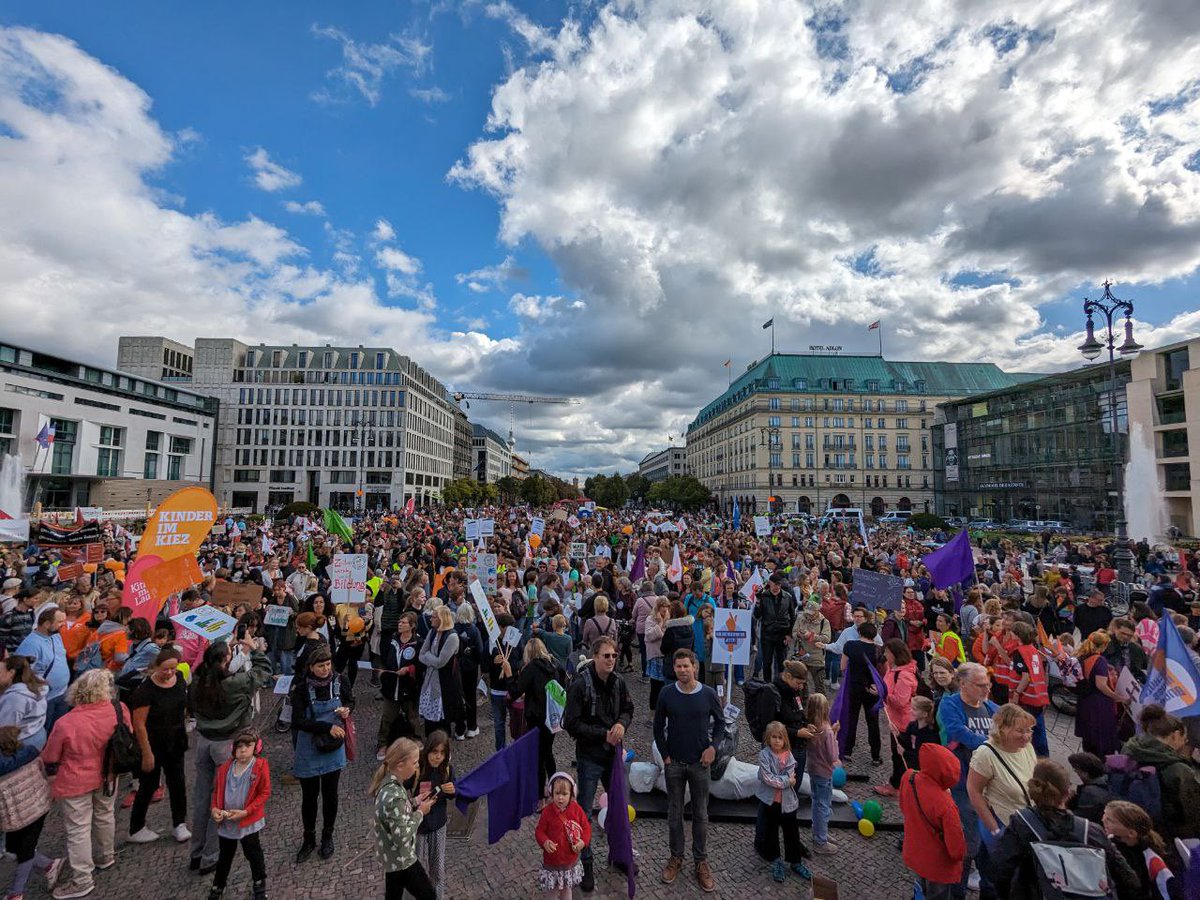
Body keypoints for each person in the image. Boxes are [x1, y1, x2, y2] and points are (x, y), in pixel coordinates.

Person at [989, 760, 1140, 900]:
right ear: (1067, 793)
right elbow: (1128, 878)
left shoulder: (1022, 824)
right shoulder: (1091, 831)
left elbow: (1000, 869)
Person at [41, 668, 128, 900]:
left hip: (75, 780)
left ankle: (82, 879)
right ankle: (105, 855)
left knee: (78, 829)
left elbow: (50, 756)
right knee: (105, 814)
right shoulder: (118, 710)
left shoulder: (66, 723)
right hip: (108, 774)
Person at [189, 636, 272, 875]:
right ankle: (210, 856)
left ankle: (196, 852)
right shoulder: (233, 683)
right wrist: (254, 649)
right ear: (227, 660)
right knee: (222, 801)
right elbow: (263, 671)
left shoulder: (198, 681)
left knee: (203, 798)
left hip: (204, 740)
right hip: (227, 744)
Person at [562, 634, 633, 893]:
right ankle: (587, 862)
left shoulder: (619, 681)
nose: (612, 660)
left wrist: (621, 724)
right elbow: (570, 723)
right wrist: (601, 734)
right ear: (595, 657)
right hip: (590, 757)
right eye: (607, 656)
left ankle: (620, 854)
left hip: (613, 756)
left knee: (619, 807)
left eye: (614, 655)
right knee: (584, 813)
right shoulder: (581, 684)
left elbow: (629, 708)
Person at [653, 648, 726, 893]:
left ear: (694, 666)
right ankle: (676, 857)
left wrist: (713, 748)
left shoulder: (707, 694)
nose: (682, 671)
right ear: (674, 668)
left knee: (701, 815)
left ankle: (701, 861)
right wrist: (665, 756)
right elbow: (657, 727)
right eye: (678, 667)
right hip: (674, 763)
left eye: (686, 666)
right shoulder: (666, 693)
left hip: (699, 763)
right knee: (674, 814)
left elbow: (721, 725)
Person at [936, 661, 997, 900]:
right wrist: (991, 744)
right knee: (966, 843)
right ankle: (955, 890)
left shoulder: (992, 708)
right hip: (961, 783)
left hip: (989, 786)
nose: (986, 689)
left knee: (988, 845)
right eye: (980, 685)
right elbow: (958, 731)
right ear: (963, 684)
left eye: (988, 684)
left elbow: (1007, 725)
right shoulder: (949, 704)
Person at [290, 643, 354, 863]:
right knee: (309, 797)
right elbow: (297, 720)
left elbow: (350, 700)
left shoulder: (340, 681)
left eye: (328, 665)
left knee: (330, 794)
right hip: (309, 745)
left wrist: (347, 710)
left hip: (334, 746)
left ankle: (328, 835)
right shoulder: (300, 689)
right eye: (321, 666)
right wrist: (326, 727)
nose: (325, 669)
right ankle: (308, 839)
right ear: (311, 667)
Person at [967, 704, 1037, 892]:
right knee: (996, 882)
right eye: (1020, 731)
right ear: (1003, 729)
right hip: (1002, 827)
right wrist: (995, 830)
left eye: (1029, 730)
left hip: (1024, 825)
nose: (1026, 736)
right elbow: (973, 791)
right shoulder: (986, 754)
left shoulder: (1026, 747)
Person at [128, 647, 191, 844]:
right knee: (148, 785)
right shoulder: (145, 691)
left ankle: (179, 823)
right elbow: (139, 724)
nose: (170, 672)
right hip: (153, 742)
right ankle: (136, 827)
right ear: (156, 667)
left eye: (173, 668)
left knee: (178, 783)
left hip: (175, 739)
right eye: (166, 669)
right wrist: (146, 752)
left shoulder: (179, 678)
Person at [1121, 704, 1200, 845]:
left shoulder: (1131, 747)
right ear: (1175, 735)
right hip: (1163, 834)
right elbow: (1191, 811)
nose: (1185, 742)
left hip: (1126, 819)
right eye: (1184, 738)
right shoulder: (1178, 769)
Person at [206, 729, 270, 900]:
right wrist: (214, 809)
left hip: (247, 821)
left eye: (247, 746)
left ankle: (259, 883)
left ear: (255, 747)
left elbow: (264, 792)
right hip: (227, 821)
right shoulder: (225, 768)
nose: (243, 750)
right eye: (239, 746)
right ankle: (218, 885)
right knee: (225, 856)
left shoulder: (259, 766)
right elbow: (217, 792)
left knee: (253, 852)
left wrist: (247, 812)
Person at [0, 723, 61, 900]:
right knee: (15, 850)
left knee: (21, 850)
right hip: (38, 808)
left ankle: (16, 893)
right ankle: (50, 865)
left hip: (15, 815)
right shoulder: (31, 753)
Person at [372, 737, 437, 900]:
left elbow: (395, 813)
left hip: (391, 858)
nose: (417, 767)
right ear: (400, 765)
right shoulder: (395, 796)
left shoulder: (388, 784)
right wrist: (420, 812)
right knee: (429, 896)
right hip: (402, 859)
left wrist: (415, 801)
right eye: (414, 763)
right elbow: (402, 836)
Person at [900, 743, 967, 900]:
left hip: (915, 852)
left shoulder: (909, 777)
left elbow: (904, 807)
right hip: (938, 865)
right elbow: (956, 848)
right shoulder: (946, 805)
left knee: (920, 888)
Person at [504, 637, 566, 799]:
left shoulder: (531, 668)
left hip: (536, 718)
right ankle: (554, 787)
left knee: (539, 757)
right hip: (553, 717)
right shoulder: (555, 664)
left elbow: (515, 691)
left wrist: (509, 675)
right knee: (548, 753)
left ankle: (540, 796)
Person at [753, 721, 811, 882]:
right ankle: (776, 860)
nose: (777, 740)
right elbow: (767, 778)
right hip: (771, 801)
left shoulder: (789, 755)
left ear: (785, 739)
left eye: (780, 737)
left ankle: (795, 860)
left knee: (791, 831)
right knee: (771, 831)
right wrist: (785, 781)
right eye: (774, 737)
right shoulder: (764, 755)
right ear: (768, 738)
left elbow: (790, 774)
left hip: (788, 802)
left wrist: (783, 779)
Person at [1102, 800, 1184, 900]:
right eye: (1104, 816)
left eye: (1110, 820)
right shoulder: (1111, 843)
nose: (1103, 820)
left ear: (1131, 833)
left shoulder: (1145, 860)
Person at [535, 771, 591, 899]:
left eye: (564, 794)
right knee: (552, 891)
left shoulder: (577, 810)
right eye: (557, 793)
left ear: (572, 794)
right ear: (551, 793)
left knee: (567, 889)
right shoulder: (547, 812)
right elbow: (539, 831)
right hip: (552, 861)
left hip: (569, 861)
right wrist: (544, 841)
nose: (560, 798)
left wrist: (583, 842)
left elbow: (587, 828)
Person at [412, 731, 454, 899]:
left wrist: (453, 791)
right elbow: (405, 798)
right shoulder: (416, 770)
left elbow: (451, 793)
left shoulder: (447, 770)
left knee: (437, 869)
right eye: (434, 752)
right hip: (418, 827)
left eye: (442, 753)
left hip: (438, 824)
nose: (438, 757)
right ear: (427, 751)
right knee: (416, 871)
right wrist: (416, 803)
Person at [877, 638, 919, 796]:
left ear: (895, 654)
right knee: (896, 754)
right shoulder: (892, 668)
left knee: (901, 755)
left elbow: (901, 701)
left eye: (887, 652)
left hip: (903, 722)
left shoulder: (904, 675)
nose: (885, 655)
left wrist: (884, 695)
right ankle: (898, 784)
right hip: (894, 720)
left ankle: (898, 786)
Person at [378, 611, 424, 757]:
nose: (400, 624)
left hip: (409, 687)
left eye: (403, 623)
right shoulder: (393, 639)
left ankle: (416, 738)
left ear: (412, 626)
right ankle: (382, 744)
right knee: (387, 717)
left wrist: (410, 669)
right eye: (399, 622)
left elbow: (422, 665)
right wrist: (382, 670)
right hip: (391, 686)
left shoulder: (418, 643)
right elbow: (383, 657)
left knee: (412, 716)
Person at [16, 607, 68, 732]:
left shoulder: (56, 636)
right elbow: (21, 674)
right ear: (47, 624)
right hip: (45, 699)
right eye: (60, 622)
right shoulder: (31, 644)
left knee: (57, 731)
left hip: (63, 693)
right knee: (44, 733)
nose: (64, 624)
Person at [1073, 631, 1124, 757]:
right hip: (1099, 704)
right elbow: (1101, 685)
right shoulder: (1099, 660)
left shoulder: (1082, 656)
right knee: (1101, 738)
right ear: (1104, 645)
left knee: (1088, 737)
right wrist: (1116, 697)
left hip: (1085, 700)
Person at [841, 619, 882, 765]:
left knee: (852, 719)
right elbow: (882, 672)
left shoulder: (850, 646)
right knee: (873, 722)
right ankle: (875, 756)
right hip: (872, 689)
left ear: (859, 632)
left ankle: (847, 751)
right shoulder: (879, 650)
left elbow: (843, 666)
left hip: (854, 687)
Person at [417, 608, 462, 737]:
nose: (431, 619)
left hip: (444, 683)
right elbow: (421, 654)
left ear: (442, 619)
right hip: (429, 681)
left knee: (442, 719)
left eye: (434, 617)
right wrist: (431, 658)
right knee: (429, 720)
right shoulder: (432, 632)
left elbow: (440, 663)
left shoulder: (452, 637)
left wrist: (428, 657)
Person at [804, 692, 839, 855]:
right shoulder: (827, 731)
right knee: (823, 804)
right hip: (824, 772)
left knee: (816, 802)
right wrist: (835, 734)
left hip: (813, 768)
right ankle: (820, 839)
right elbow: (832, 755)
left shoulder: (810, 727)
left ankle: (818, 831)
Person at [1007, 622, 1049, 758]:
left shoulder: (1020, 652)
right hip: (1038, 696)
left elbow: (1026, 677)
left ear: (1017, 635)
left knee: (1023, 729)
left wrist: (1016, 693)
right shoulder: (1032, 650)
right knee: (1038, 729)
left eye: (1012, 632)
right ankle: (1043, 757)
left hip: (1027, 697)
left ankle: (1025, 757)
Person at [0, 653, 48, 751]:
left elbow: (4, 729)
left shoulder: (15, 698)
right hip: (37, 734)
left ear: (11, 673)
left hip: (22, 742)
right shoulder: (35, 685)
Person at [753, 573, 795, 682]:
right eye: (774, 584)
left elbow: (792, 617)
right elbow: (757, 616)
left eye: (779, 584)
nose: (777, 587)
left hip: (782, 634)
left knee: (781, 662)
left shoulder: (788, 597)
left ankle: (779, 684)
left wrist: (789, 634)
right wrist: (757, 602)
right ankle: (767, 685)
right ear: (769, 584)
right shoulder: (764, 596)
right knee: (767, 662)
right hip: (767, 634)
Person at [452, 604, 483, 740]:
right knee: (471, 696)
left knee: (458, 696)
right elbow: (480, 650)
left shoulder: (453, 629)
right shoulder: (474, 630)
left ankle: (459, 730)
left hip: (456, 667)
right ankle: (471, 727)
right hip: (470, 667)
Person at [1066, 752, 1114, 824]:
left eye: (1076, 769)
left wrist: (1065, 803)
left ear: (1085, 773)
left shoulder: (1089, 793)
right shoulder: (1106, 782)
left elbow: (1077, 820)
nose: (1076, 772)